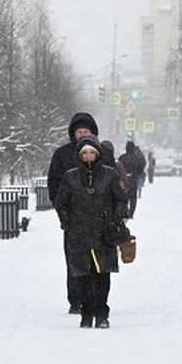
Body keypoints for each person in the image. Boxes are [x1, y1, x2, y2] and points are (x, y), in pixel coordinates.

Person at [54, 135, 129, 329]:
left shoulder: (110, 175)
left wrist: (116, 219)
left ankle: (102, 314)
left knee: (102, 275)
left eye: (92, 152)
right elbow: (61, 203)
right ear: (79, 155)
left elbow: (121, 199)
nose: (88, 156)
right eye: (84, 153)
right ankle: (86, 314)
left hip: (104, 233)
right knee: (83, 276)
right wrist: (67, 223)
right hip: (79, 234)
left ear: (98, 154)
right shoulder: (70, 177)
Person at [46, 112, 114, 314]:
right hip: (75, 220)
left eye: (86, 131)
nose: (82, 134)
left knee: (101, 263)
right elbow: (54, 185)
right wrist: (64, 213)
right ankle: (76, 300)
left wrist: (114, 214)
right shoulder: (62, 155)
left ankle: (98, 301)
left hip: (101, 219)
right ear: (73, 134)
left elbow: (113, 185)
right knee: (75, 261)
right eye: (79, 131)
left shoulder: (104, 155)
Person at [119, 140, 146, 218]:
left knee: (124, 196)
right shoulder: (136, 158)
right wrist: (136, 174)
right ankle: (131, 212)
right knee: (133, 197)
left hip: (124, 180)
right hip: (133, 179)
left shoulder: (122, 157)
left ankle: (125, 211)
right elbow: (141, 168)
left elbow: (118, 168)